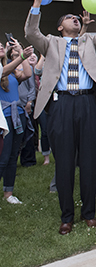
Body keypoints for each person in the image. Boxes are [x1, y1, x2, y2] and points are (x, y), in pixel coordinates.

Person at [24, 0, 96, 235]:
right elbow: (30, 32)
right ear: (60, 27)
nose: (76, 19)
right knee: (65, 162)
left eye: (77, 18)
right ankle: (67, 216)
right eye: (70, 18)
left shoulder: (89, 40)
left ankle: (89, 213)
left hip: (88, 104)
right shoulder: (51, 42)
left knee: (91, 159)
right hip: (60, 106)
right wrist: (37, 2)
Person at [0, 39, 33, 204]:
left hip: (18, 115)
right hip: (3, 118)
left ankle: (8, 193)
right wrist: (21, 56)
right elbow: (3, 71)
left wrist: (21, 51)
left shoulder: (11, 71)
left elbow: (27, 74)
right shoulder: (4, 70)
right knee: (3, 157)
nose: (0, 46)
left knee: (13, 156)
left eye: (0, 45)